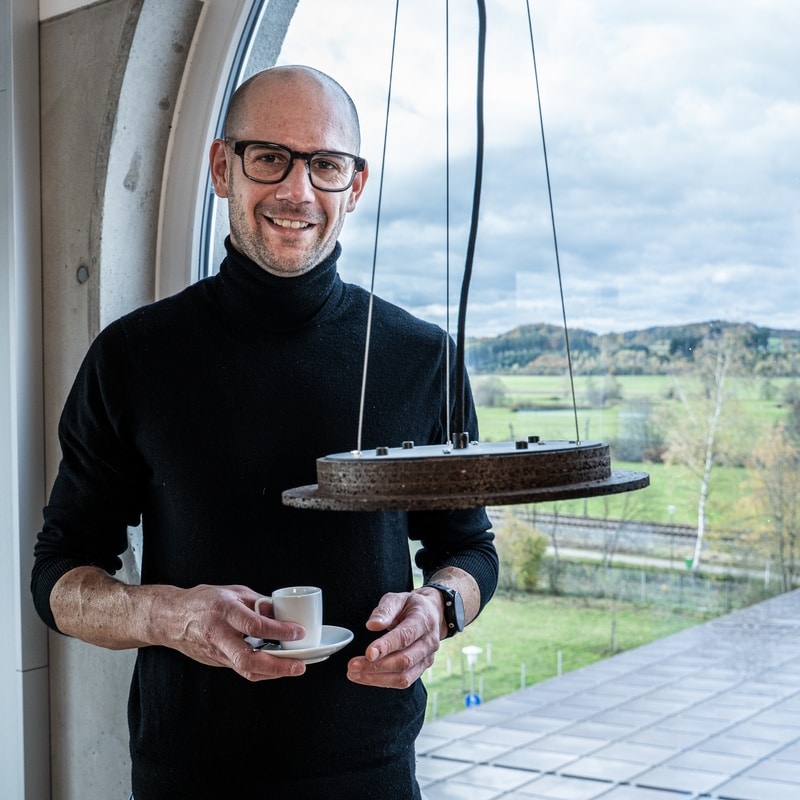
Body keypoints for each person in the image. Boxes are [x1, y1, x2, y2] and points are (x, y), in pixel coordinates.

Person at [31, 65, 498, 800]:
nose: (298, 191)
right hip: (187, 777)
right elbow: (58, 578)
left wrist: (438, 609)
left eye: (326, 165)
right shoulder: (133, 357)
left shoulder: (422, 358)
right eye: (269, 157)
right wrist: (170, 614)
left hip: (372, 775)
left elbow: (468, 548)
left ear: (356, 184)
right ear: (223, 167)